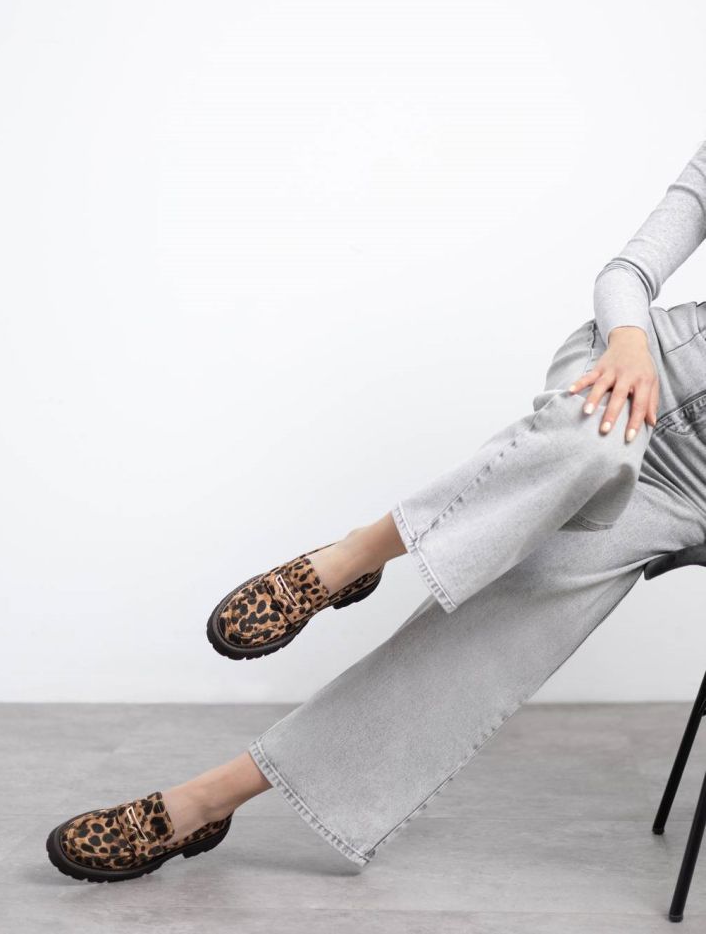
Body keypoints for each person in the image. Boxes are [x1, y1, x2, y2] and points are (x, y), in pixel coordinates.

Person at [46, 136, 706, 883]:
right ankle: (352, 559)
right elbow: (628, 272)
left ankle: (204, 800)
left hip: (689, 492)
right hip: (634, 372)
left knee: (484, 643)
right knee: (594, 442)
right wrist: (628, 341)